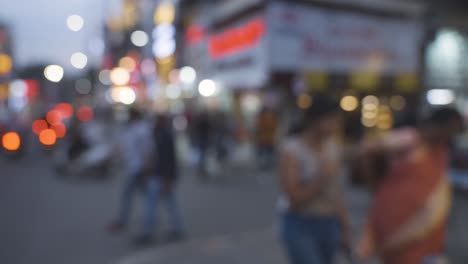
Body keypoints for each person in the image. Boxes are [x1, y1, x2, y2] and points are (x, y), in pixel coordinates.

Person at [356, 107, 464, 264]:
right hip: (395, 220)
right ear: (437, 125)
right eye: (449, 130)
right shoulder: (410, 138)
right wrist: (375, 186)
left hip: (424, 229)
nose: (449, 136)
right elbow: (369, 150)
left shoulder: (441, 150)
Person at [279, 97, 351, 264]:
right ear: (315, 120)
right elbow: (294, 197)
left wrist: (345, 226)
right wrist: (322, 177)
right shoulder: (292, 150)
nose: (335, 126)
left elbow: (336, 193)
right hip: (301, 223)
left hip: (329, 222)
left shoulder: (332, 147)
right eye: (331, 120)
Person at [135, 114, 185, 244]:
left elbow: (169, 159)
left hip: (160, 176)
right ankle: (176, 228)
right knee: (167, 203)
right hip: (159, 176)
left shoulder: (164, 136)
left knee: (152, 205)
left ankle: (149, 232)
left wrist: (169, 178)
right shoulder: (158, 135)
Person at [108, 109, 153, 236]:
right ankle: (146, 219)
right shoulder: (134, 128)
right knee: (146, 195)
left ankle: (132, 221)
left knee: (134, 195)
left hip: (138, 168)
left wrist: (145, 166)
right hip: (134, 167)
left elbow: (147, 149)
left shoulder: (142, 129)